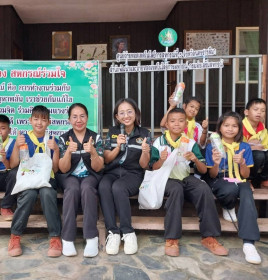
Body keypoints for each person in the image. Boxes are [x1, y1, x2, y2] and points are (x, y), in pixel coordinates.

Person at [150, 108, 228, 257]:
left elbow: (204, 170)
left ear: (186, 123)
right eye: (172, 121)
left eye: (180, 121)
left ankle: (209, 237)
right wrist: (161, 159)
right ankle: (172, 238)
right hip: (165, 179)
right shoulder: (158, 142)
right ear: (166, 124)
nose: (176, 124)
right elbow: (153, 168)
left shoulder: (190, 142)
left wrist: (195, 159)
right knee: (176, 190)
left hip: (185, 177)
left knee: (203, 189)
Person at [205, 111, 261, 264]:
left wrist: (242, 162)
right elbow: (211, 175)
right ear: (220, 128)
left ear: (239, 128)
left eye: (234, 126)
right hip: (220, 179)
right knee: (230, 189)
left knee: (247, 193)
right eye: (226, 125)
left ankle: (249, 244)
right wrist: (216, 163)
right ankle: (228, 206)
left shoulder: (244, 147)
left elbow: (245, 174)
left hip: (238, 178)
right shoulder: (213, 147)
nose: (230, 129)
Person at [7, 105, 62, 257]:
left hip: (47, 178)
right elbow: (12, 165)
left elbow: (56, 169)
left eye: (43, 120)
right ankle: (15, 236)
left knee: (47, 193)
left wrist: (56, 150)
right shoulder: (22, 138)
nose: (39, 123)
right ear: (30, 120)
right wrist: (17, 147)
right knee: (29, 195)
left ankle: (55, 237)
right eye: (36, 119)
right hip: (28, 178)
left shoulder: (52, 140)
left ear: (49, 122)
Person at [98, 98, 150, 255]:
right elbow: (106, 159)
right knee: (104, 186)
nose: (126, 115)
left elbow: (143, 165)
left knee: (119, 187)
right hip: (113, 171)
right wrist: (118, 147)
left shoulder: (144, 133)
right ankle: (113, 232)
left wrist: (146, 152)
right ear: (117, 116)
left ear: (136, 113)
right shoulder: (113, 132)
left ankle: (128, 232)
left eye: (129, 112)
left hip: (133, 174)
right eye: (122, 113)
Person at [57, 103, 104, 257]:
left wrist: (93, 153)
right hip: (69, 177)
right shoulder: (64, 139)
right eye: (75, 116)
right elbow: (63, 169)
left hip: (90, 176)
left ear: (87, 117)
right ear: (69, 119)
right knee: (72, 189)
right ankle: (67, 239)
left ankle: (91, 237)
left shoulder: (95, 137)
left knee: (87, 188)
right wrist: (68, 153)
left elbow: (98, 168)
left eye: (82, 116)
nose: (79, 120)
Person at [242, 98, 268, 188]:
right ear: (246, 112)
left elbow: (265, 145)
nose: (259, 113)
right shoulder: (240, 126)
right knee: (258, 155)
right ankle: (248, 179)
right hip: (240, 157)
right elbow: (236, 145)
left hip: (258, 153)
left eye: (263, 110)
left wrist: (259, 146)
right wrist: (250, 146)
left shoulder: (263, 129)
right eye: (256, 109)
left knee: (263, 154)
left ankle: (264, 179)